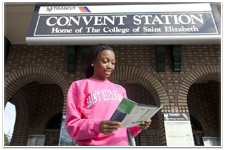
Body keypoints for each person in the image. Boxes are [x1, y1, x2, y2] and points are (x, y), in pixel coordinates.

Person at [65, 44, 151, 146]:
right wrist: (97, 126)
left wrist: (138, 125)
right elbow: (72, 125)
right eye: (105, 61)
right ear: (93, 61)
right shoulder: (79, 86)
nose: (110, 66)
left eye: (113, 62)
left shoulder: (120, 89)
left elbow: (125, 128)